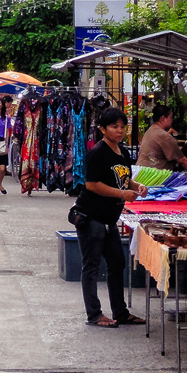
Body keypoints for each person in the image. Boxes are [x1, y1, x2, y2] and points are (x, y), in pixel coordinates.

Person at [73, 107, 147, 328]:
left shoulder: (122, 152)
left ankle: (120, 312)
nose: (120, 131)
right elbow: (91, 185)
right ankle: (94, 314)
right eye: (114, 127)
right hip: (91, 217)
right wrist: (122, 194)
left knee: (117, 262)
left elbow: (124, 178)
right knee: (92, 266)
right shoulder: (97, 153)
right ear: (103, 128)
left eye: (123, 127)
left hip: (109, 220)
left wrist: (138, 186)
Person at [136, 104, 187, 180]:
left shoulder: (149, 131)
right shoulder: (163, 135)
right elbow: (183, 161)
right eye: (170, 118)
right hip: (154, 177)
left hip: (142, 174)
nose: (171, 121)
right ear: (163, 118)